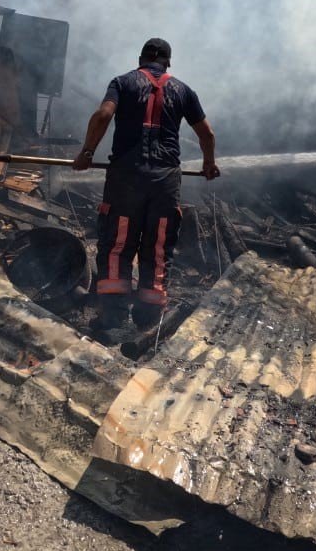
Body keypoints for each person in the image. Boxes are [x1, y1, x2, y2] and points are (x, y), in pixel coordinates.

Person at [72, 38, 220, 331]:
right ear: (168, 62)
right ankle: (147, 318)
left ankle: (113, 316)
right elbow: (207, 134)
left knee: (118, 243)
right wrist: (208, 164)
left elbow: (103, 115)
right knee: (158, 244)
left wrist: (87, 152)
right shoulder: (184, 91)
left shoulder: (122, 82)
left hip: (126, 177)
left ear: (140, 58)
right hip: (165, 181)